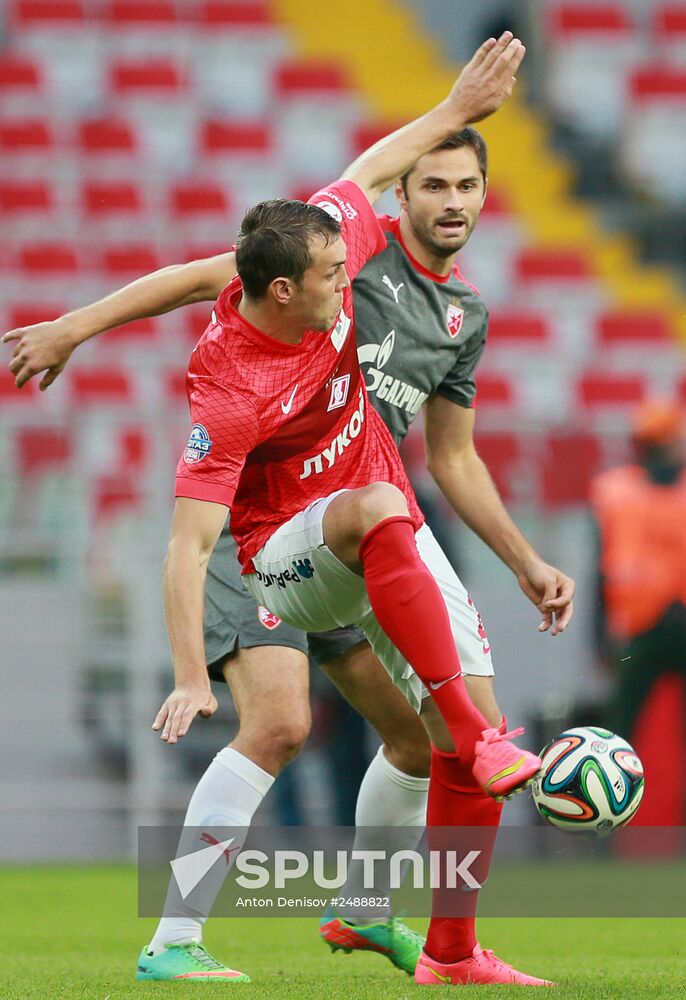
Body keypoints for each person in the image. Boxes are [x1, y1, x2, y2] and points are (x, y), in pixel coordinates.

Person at [3, 35, 571, 987]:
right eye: (434, 186)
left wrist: (458, 107)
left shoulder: (378, 272)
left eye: (465, 185)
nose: (451, 202)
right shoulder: (232, 383)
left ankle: (415, 935)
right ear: (283, 289)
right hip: (262, 544)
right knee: (279, 725)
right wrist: (190, 674)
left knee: (419, 733)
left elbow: (360, 172)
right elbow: (188, 543)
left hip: (357, 532)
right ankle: (175, 938)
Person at [590, 399, 686, 750]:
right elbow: (600, 571)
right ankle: (606, 800)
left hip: (672, 619)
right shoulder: (615, 493)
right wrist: (598, 637)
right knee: (618, 732)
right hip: (639, 626)